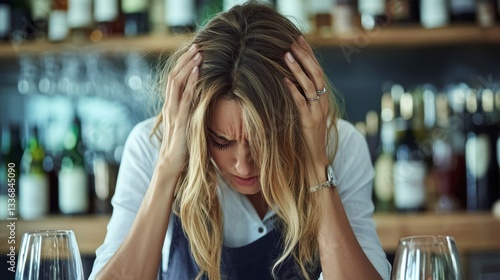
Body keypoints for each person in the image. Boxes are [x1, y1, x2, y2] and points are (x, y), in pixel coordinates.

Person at [89, 2, 391, 279]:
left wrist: (315, 166)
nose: (243, 165)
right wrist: (168, 168)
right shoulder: (150, 146)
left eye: (263, 142)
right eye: (221, 142)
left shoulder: (340, 146)